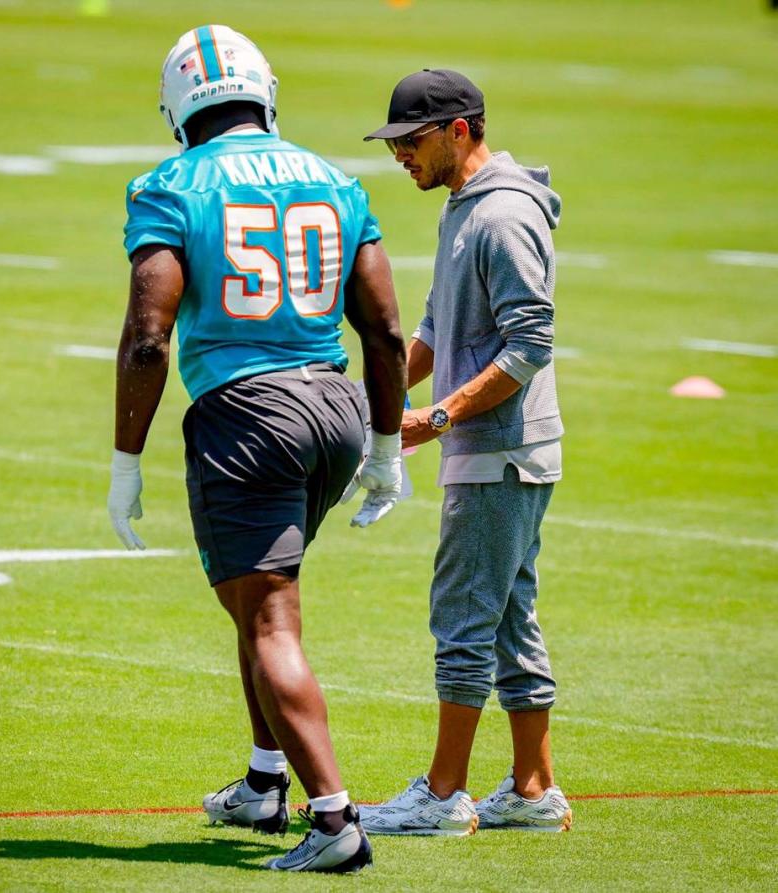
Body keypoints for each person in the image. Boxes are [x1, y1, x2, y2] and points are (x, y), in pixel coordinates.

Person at [107, 25, 407, 873]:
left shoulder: (169, 183)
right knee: (257, 594)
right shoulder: (332, 179)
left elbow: (146, 337)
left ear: (177, 105)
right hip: (337, 407)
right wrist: (385, 444)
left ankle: (336, 821)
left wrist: (126, 458)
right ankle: (262, 779)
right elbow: (382, 328)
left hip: (248, 414)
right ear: (264, 91)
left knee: (268, 614)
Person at [357, 69, 572, 835]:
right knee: (510, 619)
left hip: (499, 453)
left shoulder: (502, 215)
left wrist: (437, 415)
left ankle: (444, 795)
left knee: (463, 618)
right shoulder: (462, 207)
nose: (398, 158)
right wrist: (371, 400)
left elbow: (529, 345)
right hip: (501, 452)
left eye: (409, 142)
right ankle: (533, 787)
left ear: (457, 132)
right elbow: (432, 331)